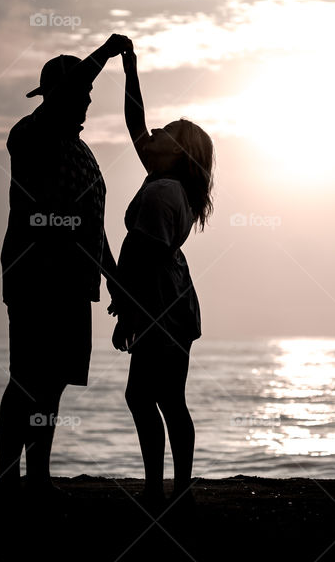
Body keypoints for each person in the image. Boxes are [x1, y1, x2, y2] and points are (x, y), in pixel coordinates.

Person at [0, 34, 130, 501]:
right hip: (36, 279)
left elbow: (97, 226)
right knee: (27, 379)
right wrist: (104, 54)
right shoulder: (30, 135)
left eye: (90, 96)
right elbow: (62, 97)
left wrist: (117, 284)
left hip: (76, 285)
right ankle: (8, 479)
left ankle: (37, 477)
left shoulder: (85, 153)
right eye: (82, 93)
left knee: (52, 385)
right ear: (60, 95)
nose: (87, 102)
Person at [107, 39, 215, 511]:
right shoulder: (168, 181)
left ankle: (166, 488)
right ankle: (172, 487)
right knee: (162, 396)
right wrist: (131, 69)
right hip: (171, 299)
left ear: (179, 152)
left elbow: (143, 258)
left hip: (160, 302)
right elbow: (135, 122)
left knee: (153, 396)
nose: (155, 130)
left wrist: (126, 310)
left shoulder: (163, 192)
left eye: (167, 131)